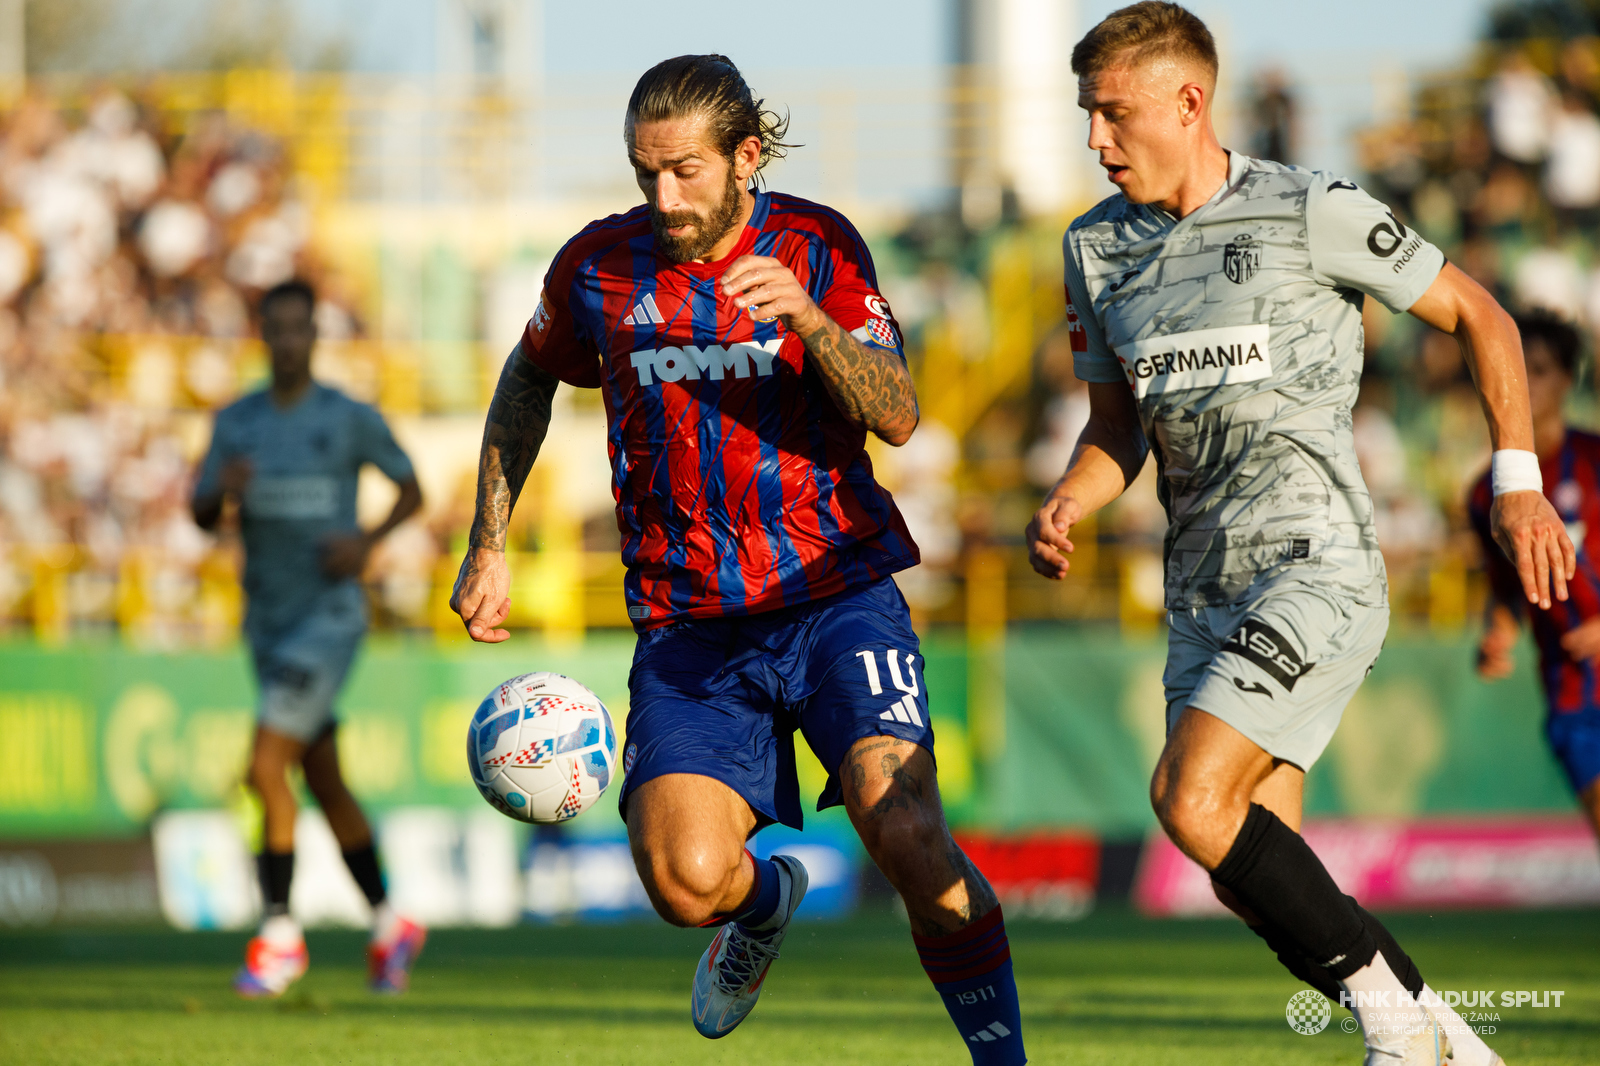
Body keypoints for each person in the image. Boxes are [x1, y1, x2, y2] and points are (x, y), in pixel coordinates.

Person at [1024, 4, 1571, 1064]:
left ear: (1189, 103)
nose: (1094, 137)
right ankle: (1457, 1046)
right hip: (1201, 591)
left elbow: (1481, 315)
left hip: (1312, 566)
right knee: (1254, 866)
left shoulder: (1306, 208)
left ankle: (1399, 1034)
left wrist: (1516, 483)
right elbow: (1112, 428)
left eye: (1111, 112)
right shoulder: (1092, 250)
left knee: (1187, 796)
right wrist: (1070, 500)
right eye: (1085, 113)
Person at [450, 55, 1025, 1063]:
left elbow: (896, 412)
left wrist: (806, 318)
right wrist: (488, 540)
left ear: (745, 157)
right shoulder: (598, 267)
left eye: (685, 172)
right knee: (683, 885)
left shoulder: (818, 245)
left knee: (906, 833)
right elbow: (527, 378)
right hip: (690, 622)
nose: (663, 198)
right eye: (645, 173)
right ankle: (764, 904)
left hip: (832, 593)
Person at [192, 279, 427, 997]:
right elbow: (200, 513)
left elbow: (411, 487)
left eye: (300, 328)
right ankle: (390, 926)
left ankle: (280, 938)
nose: (289, 340)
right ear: (262, 335)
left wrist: (367, 543)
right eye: (277, 328)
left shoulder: (348, 418)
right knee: (320, 778)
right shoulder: (236, 424)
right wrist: (219, 492)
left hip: (328, 619)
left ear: (315, 335)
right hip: (267, 618)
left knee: (265, 770)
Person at [1472, 313, 1600, 840]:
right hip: (1572, 695)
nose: (1525, 381)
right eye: (1516, 368)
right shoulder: (1486, 495)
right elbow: (1507, 592)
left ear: (1569, 378)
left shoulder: (1595, 461)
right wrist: (1498, 631)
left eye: (1540, 369)